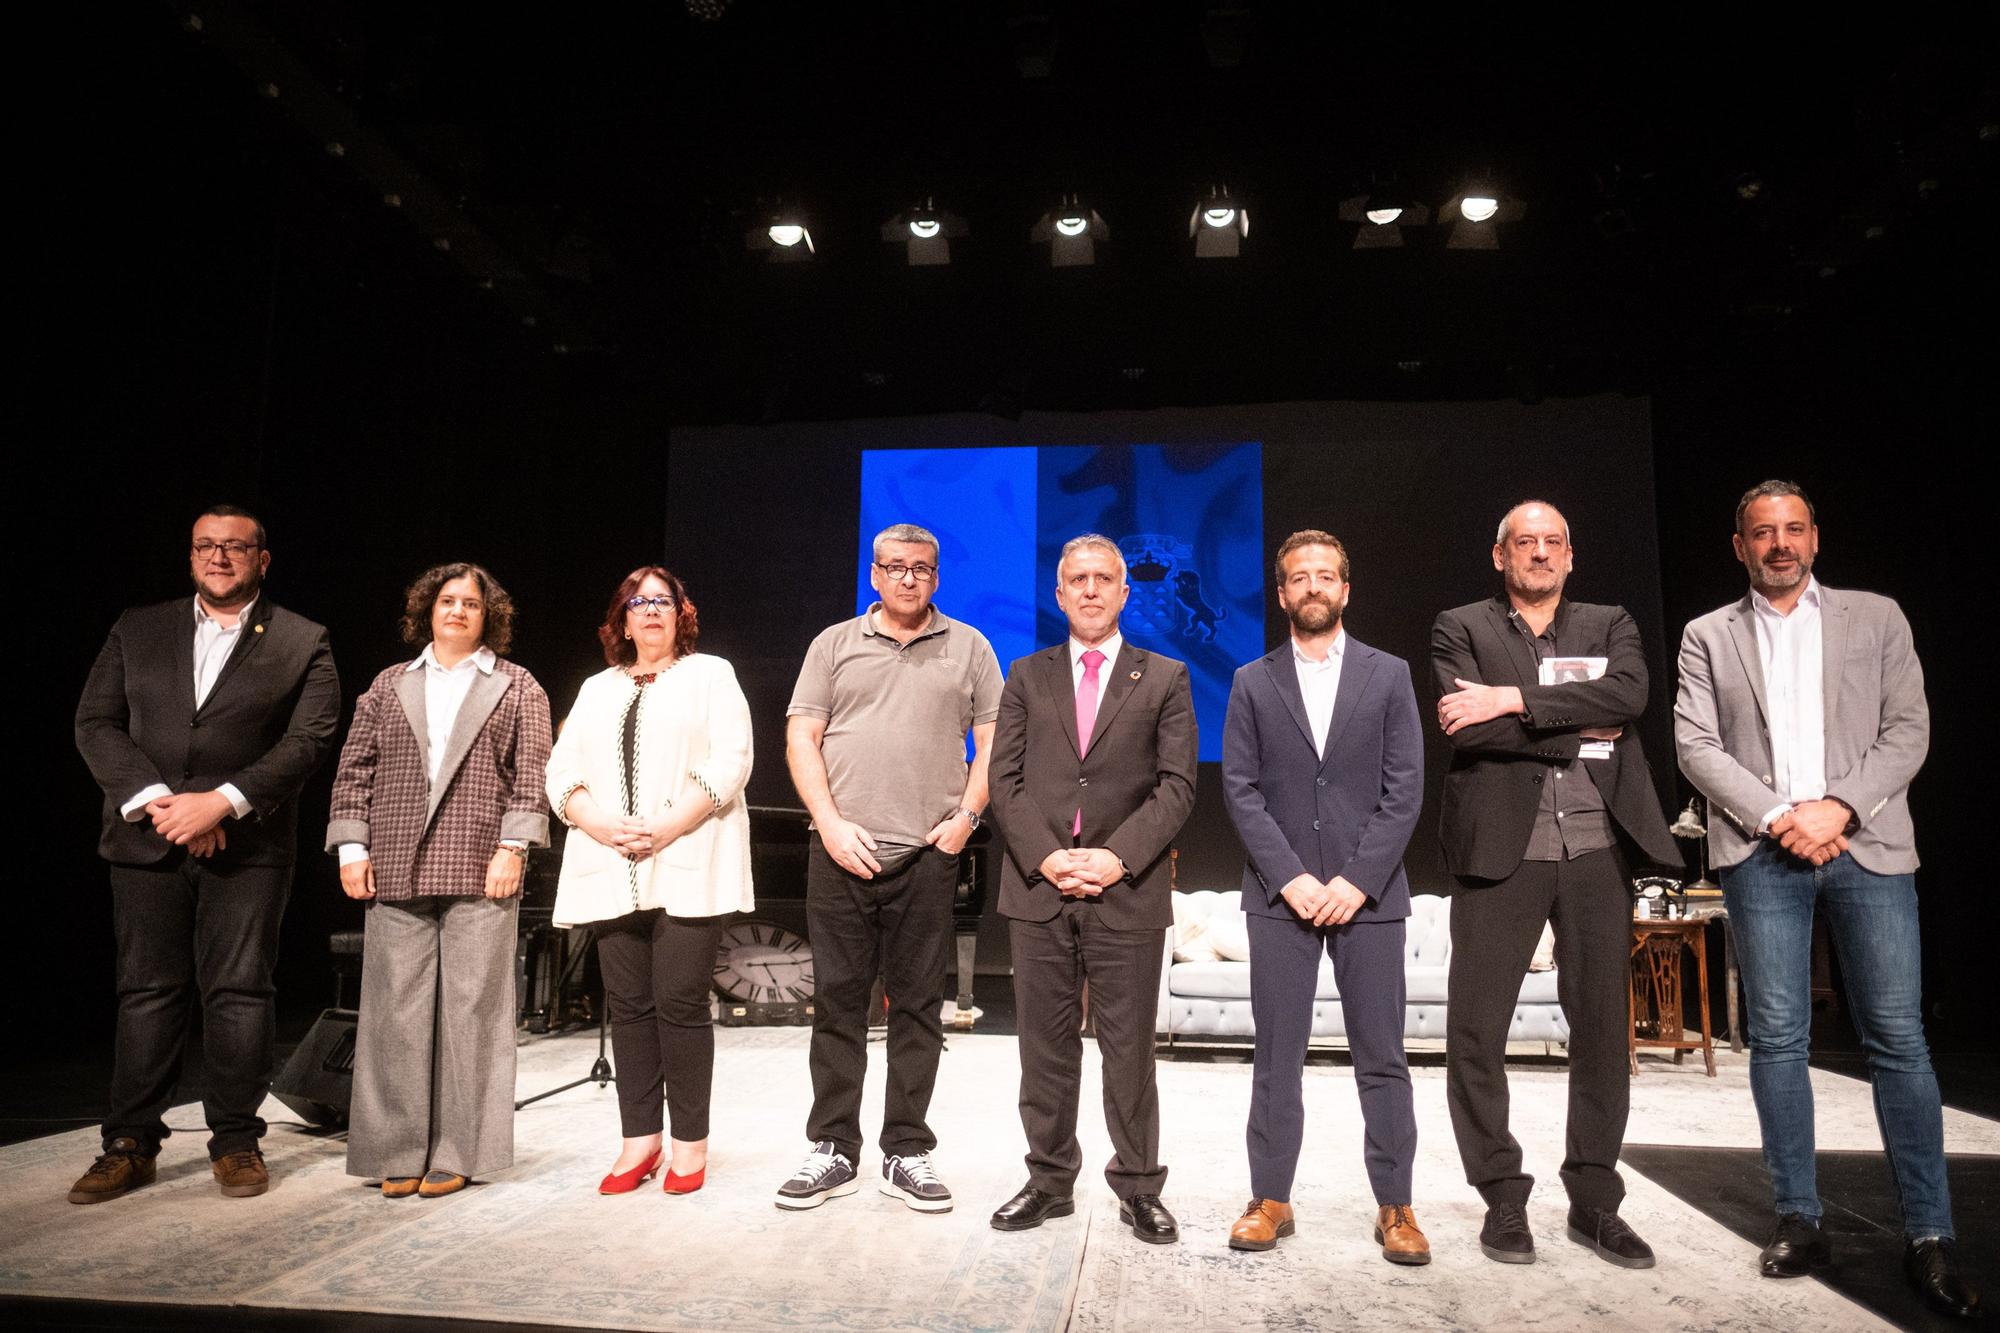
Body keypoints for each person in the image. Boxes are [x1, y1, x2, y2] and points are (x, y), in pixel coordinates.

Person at [1674, 480, 1976, 1318]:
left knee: (1898, 1040)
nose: (1780, 543)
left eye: (1793, 529)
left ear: (1815, 537)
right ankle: (1799, 1219)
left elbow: (1907, 730)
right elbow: (1696, 744)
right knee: (1777, 1039)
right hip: (1763, 854)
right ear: (1739, 546)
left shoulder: (1876, 617)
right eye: (1763, 532)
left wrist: (1837, 807)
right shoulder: (1708, 635)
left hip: (1868, 845)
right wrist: (1780, 816)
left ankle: (1930, 1233)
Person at [1430, 500, 1679, 1268]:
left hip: (1600, 846)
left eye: (1553, 542)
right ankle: (1502, 1194)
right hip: (1503, 848)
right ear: (1499, 555)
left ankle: (1595, 1200)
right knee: (1476, 1030)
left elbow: (1629, 697)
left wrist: (1512, 700)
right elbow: (1466, 728)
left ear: (1570, 556)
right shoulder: (1461, 626)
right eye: (1524, 542)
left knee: (1604, 1031)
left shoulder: (1610, 623)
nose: (1539, 553)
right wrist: (1573, 721)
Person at [70, 505, 340, 1204]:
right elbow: (96, 722)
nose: (219, 557)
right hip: (145, 838)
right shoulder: (138, 626)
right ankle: (129, 1142)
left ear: (262, 559)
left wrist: (222, 802)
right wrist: (165, 803)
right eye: (206, 546)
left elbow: (308, 740)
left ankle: (236, 1139)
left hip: (247, 847)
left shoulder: (302, 638)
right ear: (191, 555)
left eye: (235, 547)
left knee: (240, 991)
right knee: (148, 991)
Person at [776, 523, 1001, 1213]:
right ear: (873, 574)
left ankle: (906, 1149)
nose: (908, 578)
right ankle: (834, 1147)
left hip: (927, 855)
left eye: (922, 568)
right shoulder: (833, 644)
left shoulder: (970, 646)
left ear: (937, 577)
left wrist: (965, 820)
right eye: (896, 567)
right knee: (839, 1004)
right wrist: (830, 822)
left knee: (919, 1008)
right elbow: (800, 736)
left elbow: (994, 738)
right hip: (841, 850)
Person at [1220, 530, 1427, 1263]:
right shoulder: (1251, 680)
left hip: (1368, 896)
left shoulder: (1390, 673)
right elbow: (1240, 792)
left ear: (1346, 588)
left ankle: (1395, 1205)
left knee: (1383, 1055)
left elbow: (1405, 791)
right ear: (1281, 593)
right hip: (1282, 896)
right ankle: (1271, 1197)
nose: (1313, 586)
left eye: (1326, 575)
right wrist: (1294, 878)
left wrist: (1354, 880)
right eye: (1298, 577)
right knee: (1278, 1055)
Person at [987, 533, 1196, 1244]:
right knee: (1044, 1049)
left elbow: (1177, 787)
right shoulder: (1025, 674)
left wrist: (1115, 858)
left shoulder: (1164, 676)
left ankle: (1138, 1186)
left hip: (1125, 891)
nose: (1090, 590)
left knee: (1128, 1049)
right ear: (1058, 591)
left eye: (1104, 578)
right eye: (1076, 578)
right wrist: (1048, 858)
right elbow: (1002, 782)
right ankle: (1048, 1181)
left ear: (1124, 590)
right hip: (1039, 890)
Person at [326, 563, 552, 1199]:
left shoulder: (515, 685)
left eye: (471, 605)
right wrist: (350, 849)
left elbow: (530, 773)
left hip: (481, 864)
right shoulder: (390, 683)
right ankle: (396, 1149)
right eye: (447, 601)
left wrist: (514, 848)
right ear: (427, 610)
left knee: (472, 1014)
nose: (457, 611)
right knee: (394, 1016)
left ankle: (459, 1151)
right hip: (395, 863)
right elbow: (354, 771)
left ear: (489, 617)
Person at [546, 566, 753, 1196]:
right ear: (622, 618)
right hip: (610, 861)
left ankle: (689, 1146)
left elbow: (731, 758)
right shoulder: (595, 687)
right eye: (638, 602)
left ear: (680, 614)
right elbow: (563, 771)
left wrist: (664, 827)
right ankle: (640, 1141)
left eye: (663, 601)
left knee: (681, 1004)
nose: (651, 611)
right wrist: (602, 825)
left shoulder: (710, 675)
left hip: (688, 855)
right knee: (629, 1006)